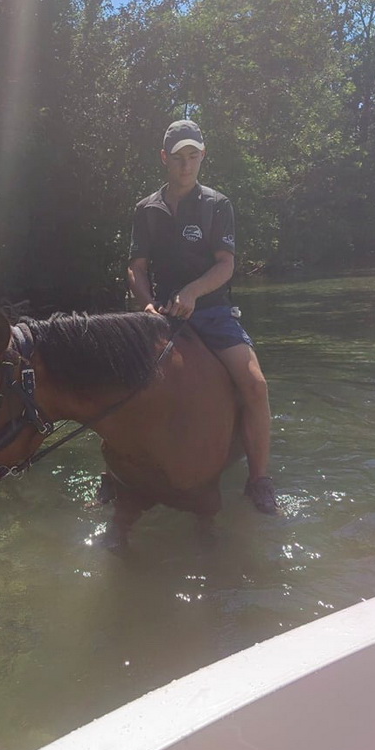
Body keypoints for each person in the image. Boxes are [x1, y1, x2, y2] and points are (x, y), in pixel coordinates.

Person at [127, 119, 278, 514]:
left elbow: (226, 265)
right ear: (164, 158)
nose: (186, 165)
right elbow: (136, 267)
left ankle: (260, 478)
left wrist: (193, 292)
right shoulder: (146, 209)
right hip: (160, 314)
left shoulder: (217, 204)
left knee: (255, 385)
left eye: (193, 156)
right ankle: (116, 474)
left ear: (202, 157)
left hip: (212, 313)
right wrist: (145, 303)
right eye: (178, 157)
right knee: (119, 382)